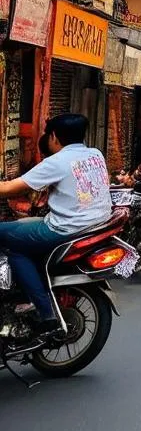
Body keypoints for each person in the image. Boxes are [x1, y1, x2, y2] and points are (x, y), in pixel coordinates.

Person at [0, 114, 111, 333]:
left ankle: (44, 310)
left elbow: (11, 188)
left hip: (65, 228)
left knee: (12, 245)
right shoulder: (95, 154)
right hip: (93, 224)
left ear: (53, 137)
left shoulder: (57, 161)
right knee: (23, 228)